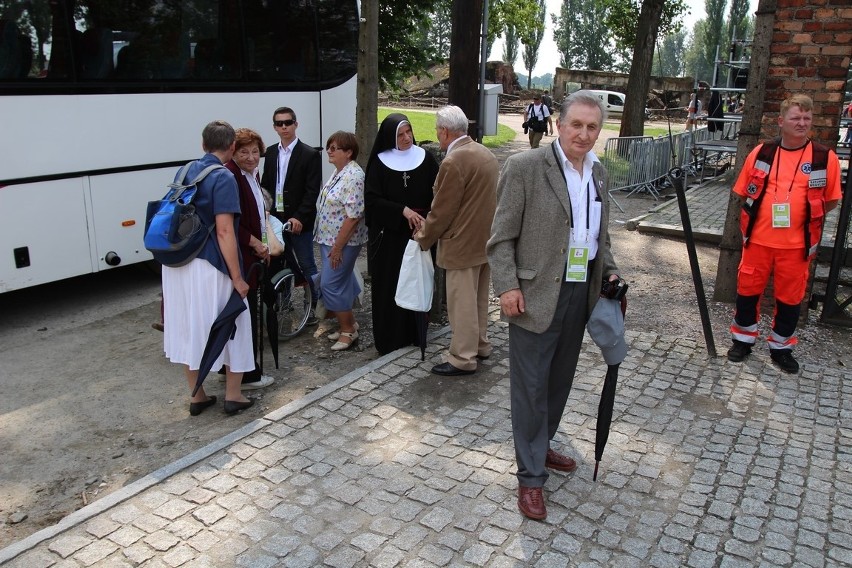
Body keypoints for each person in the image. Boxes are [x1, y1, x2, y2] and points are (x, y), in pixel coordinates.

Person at [487, 91, 621, 520]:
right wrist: (507, 286)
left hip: (580, 290)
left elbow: (601, 236)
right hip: (533, 293)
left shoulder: (598, 173)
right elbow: (500, 237)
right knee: (530, 387)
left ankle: (541, 446)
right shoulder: (525, 167)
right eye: (576, 125)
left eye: (592, 127)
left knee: (560, 379)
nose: (583, 134)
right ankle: (529, 478)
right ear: (558, 125)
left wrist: (611, 272)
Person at [727, 94, 842, 374]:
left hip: (797, 246)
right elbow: (742, 192)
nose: (802, 123)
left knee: (790, 299)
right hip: (757, 241)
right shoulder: (763, 152)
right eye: (796, 117)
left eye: (807, 118)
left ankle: (781, 348)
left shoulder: (824, 157)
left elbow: (831, 200)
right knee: (747, 292)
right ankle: (743, 341)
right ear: (781, 122)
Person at [162, 120, 255, 416]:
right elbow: (225, 231)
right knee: (233, 323)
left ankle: (198, 395)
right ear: (231, 147)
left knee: (191, 326)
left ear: (203, 145)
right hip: (209, 265)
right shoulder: (224, 177)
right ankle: (233, 394)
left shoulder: (185, 169)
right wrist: (238, 277)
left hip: (178, 263)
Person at [415, 105, 499, 376]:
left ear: (445, 131)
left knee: (461, 303)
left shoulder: (454, 161)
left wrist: (423, 237)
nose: (438, 136)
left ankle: (463, 357)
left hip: (461, 243)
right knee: (478, 300)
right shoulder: (484, 153)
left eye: (438, 131)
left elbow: (442, 210)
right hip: (484, 240)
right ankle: (480, 345)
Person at [365, 113, 440, 355]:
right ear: (390, 137)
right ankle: (391, 339)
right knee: (391, 285)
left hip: (419, 235)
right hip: (390, 237)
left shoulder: (425, 159)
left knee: (417, 282)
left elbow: (439, 193)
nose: (407, 138)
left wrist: (427, 219)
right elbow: (372, 201)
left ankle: (416, 333)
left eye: (408, 132)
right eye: (400, 134)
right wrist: (402, 211)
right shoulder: (378, 162)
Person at [224, 128, 275, 391]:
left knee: (246, 314)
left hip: (253, 254)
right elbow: (232, 221)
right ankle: (246, 374)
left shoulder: (251, 174)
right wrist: (256, 243)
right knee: (245, 318)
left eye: (255, 152)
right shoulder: (232, 175)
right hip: (243, 256)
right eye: (244, 151)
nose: (252, 157)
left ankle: (233, 368)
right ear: (233, 151)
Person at [260, 106, 321, 324]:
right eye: (279, 123)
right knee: (281, 263)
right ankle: (285, 303)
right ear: (274, 127)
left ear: (296, 124)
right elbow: (266, 184)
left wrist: (299, 217)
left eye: (288, 122)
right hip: (276, 218)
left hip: (298, 220)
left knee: (306, 263)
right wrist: (265, 208)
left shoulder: (310, 154)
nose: (284, 127)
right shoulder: (271, 153)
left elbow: (312, 190)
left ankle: (315, 306)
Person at [313, 131, 368, 351]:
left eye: (334, 148)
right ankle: (350, 322)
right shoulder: (340, 171)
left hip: (342, 243)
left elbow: (353, 216)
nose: (329, 151)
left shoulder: (353, 176)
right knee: (341, 281)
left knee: (331, 285)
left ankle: (348, 331)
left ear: (348, 152)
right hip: (329, 239)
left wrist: (337, 248)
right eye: (329, 147)